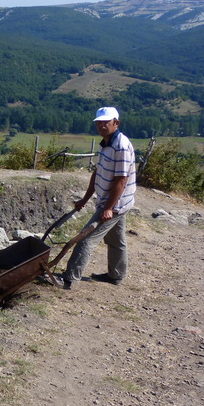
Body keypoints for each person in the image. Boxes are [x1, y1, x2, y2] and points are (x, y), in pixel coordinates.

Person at [62, 106, 136, 289]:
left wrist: (108, 208)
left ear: (116, 123)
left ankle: (69, 280)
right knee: (116, 240)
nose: (102, 125)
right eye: (99, 122)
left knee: (85, 239)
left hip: (116, 204)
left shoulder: (121, 146)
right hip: (112, 202)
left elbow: (121, 181)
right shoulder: (106, 143)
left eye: (106, 122)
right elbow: (98, 173)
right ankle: (116, 276)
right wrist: (85, 199)